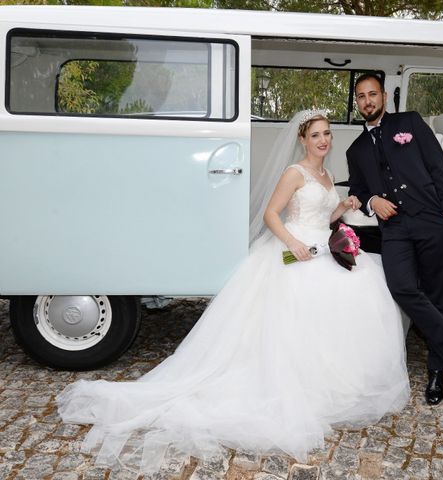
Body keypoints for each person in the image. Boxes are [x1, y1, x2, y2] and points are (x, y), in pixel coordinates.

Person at [56, 110, 410, 475]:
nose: (323, 140)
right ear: (302, 139)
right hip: (294, 252)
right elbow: (273, 214)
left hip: (323, 247)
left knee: (350, 304)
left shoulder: (325, 174)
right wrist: (294, 243)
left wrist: (345, 205)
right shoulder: (295, 172)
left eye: (327, 134)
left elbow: (326, 214)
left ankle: (335, 383)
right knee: (293, 322)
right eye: (316, 135)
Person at [346, 73, 443, 406]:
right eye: (361, 96)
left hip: (431, 220)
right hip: (394, 230)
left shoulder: (410, 122)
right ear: (356, 102)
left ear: (384, 96)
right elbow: (357, 190)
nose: (367, 101)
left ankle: (436, 373)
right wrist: (370, 201)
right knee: (402, 287)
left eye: (372, 94)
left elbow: (438, 165)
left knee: (437, 297)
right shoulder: (356, 149)